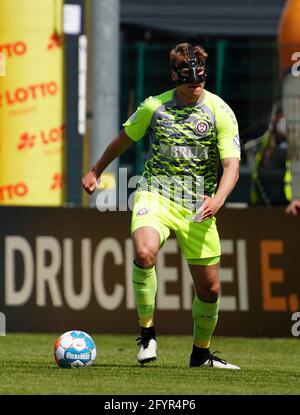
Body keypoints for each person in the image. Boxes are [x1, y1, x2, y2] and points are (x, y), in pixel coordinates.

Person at [82, 42, 241, 369]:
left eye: (200, 81)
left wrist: (219, 200)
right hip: (155, 194)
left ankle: (201, 355)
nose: (196, 87)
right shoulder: (154, 107)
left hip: (198, 205)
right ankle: (148, 334)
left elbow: (232, 166)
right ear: (174, 78)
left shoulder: (220, 111)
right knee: (144, 252)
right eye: (189, 81)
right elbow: (123, 139)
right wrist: (96, 170)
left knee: (209, 289)